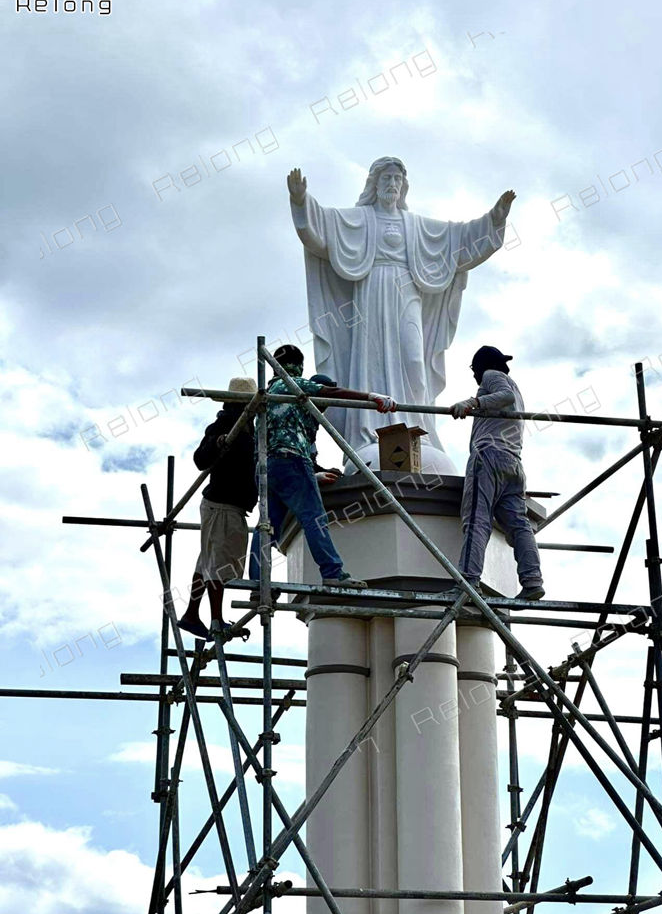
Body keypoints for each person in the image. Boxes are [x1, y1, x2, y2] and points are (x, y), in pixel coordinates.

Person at [288, 158, 516, 468]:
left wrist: (494, 220)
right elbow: (323, 229)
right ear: (374, 184)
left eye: (397, 178)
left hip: (407, 293)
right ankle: (371, 435)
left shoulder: (416, 225)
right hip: (370, 292)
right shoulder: (359, 219)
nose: (392, 184)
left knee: (413, 363)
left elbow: (459, 240)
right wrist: (301, 201)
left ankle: (415, 432)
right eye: (386, 178)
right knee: (370, 361)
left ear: (403, 186)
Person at [254, 344, 396, 588]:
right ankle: (332, 571)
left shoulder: (269, 396)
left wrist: (316, 473)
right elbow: (335, 391)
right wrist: (371, 397)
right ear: (298, 365)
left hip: (267, 467)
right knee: (314, 517)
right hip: (291, 460)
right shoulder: (294, 384)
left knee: (267, 526)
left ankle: (258, 584)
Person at [450, 345, 545, 601]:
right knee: (519, 525)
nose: (474, 376)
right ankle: (532, 579)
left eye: (474, 370)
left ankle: (468, 582)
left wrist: (473, 402)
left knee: (476, 519)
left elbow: (504, 397)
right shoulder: (515, 387)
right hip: (512, 463)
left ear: (480, 367)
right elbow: (507, 398)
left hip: (489, 456)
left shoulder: (493, 376)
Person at [177, 377, 259, 641]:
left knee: (209, 560)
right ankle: (215, 620)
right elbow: (200, 459)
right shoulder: (226, 424)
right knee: (220, 564)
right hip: (223, 504)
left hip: (225, 504)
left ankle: (193, 613)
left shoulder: (249, 428)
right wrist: (219, 441)